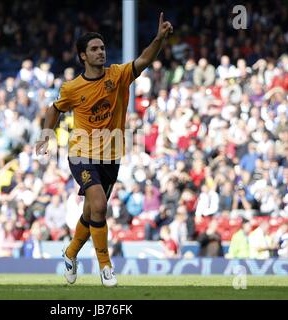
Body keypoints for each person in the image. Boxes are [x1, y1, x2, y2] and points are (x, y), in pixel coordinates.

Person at [36, 13, 173, 287]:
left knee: (91, 214)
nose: (101, 53)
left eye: (102, 48)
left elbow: (144, 60)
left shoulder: (118, 75)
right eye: (94, 49)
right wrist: (46, 135)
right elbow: (55, 109)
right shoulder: (72, 88)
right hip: (81, 153)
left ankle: (70, 253)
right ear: (82, 56)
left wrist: (158, 39)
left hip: (111, 155)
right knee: (99, 206)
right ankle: (105, 267)